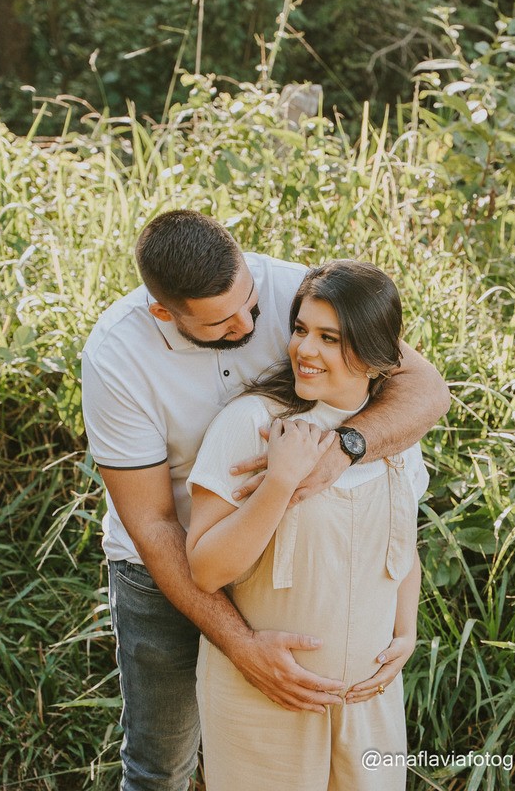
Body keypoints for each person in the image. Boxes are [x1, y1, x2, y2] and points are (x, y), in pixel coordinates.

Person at [80, 211, 449, 791]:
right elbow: (153, 523)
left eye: (249, 302)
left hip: (295, 553)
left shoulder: (298, 292)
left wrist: (343, 450)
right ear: (164, 313)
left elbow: (423, 386)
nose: (250, 323)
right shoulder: (115, 358)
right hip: (166, 564)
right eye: (220, 323)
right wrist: (241, 645)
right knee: (164, 763)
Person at [186, 259, 424, 790]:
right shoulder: (251, 423)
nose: (305, 350)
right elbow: (205, 568)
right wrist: (279, 484)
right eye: (300, 329)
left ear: (375, 353)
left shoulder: (394, 433)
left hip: (370, 697)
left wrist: (406, 633)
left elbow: (403, 546)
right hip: (265, 697)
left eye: (330, 338)